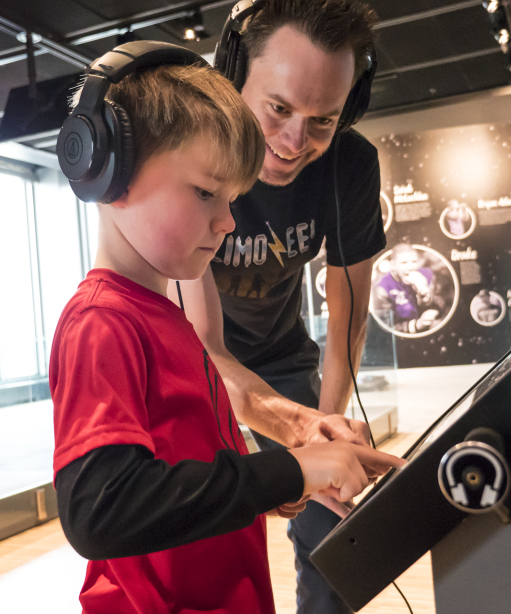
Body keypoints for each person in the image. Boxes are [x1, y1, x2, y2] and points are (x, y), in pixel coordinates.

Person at [50, 57, 404, 614]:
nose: (228, 222)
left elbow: (192, 473)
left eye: (231, 200)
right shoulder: (101, 323)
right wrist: (289, 470)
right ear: (110, 173)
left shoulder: (167, 318)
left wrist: (277, 486)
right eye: (204, 193)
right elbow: (99, 510)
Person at [176, 1, 387, 612]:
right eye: (278, 109)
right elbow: (205, 348)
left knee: (331, 526)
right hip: (190, 365)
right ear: (233, 76)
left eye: (323, 120)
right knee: (208, 540)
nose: (296, 142)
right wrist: (301, 434)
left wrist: (326, 433)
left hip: (282, 358)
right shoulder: (193, 154)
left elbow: (347, 321)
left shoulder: (350, 164)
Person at [372, 244, 447, 334]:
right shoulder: (382, 288)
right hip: (402, 339)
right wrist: (416, 325)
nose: (410, 267)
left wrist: (425, 294)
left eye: (414, 262)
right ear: (393, 265)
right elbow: (384, 327)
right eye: (404, 263)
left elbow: (442, 304)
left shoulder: (427, 275)